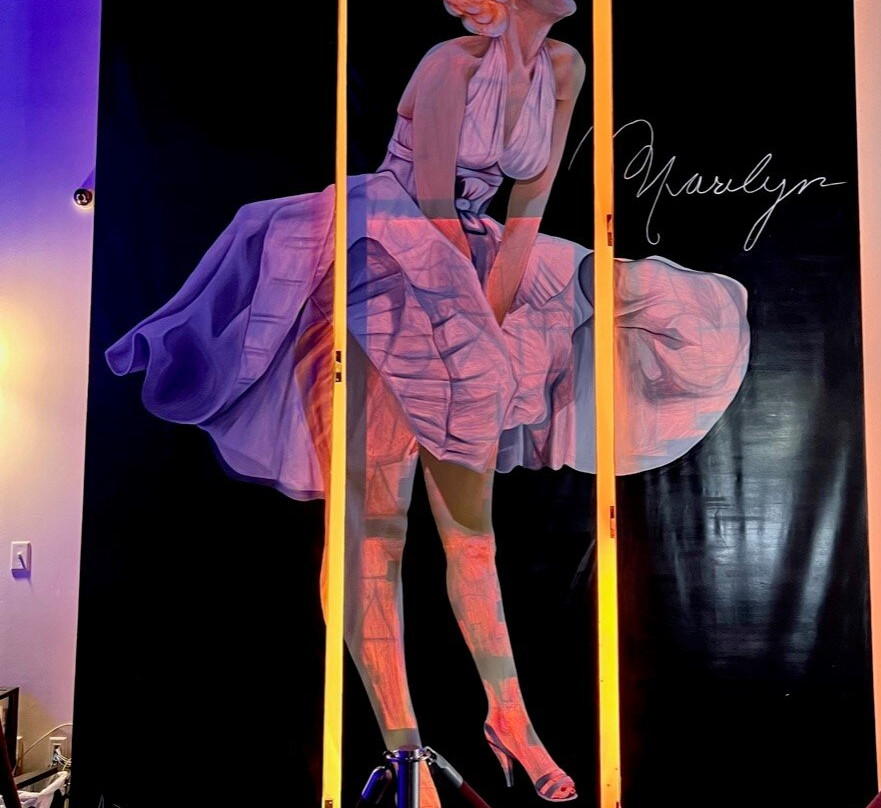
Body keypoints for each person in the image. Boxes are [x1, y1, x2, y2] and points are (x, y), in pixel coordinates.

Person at [106, 0, 750, 805]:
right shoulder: (450, 66)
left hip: (472, 252)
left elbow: (525, 214)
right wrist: (475, 339)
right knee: (374, 522)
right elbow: (433, 211)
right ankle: (404, 746)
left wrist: (497, 325)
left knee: (470, 533)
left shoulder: (564, 65)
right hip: (388, 246)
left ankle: (508, 718)